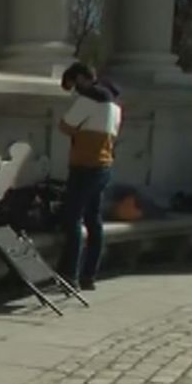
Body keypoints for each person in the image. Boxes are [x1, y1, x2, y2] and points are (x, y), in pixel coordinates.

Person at [58, 61, 123, 290]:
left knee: (72, 218)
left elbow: (65, 126)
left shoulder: (88, 99)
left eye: (73, 85)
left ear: (80, 79)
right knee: (94, 220)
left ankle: (69, 275)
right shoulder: (115, 105)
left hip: (84, 166)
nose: (75, 91)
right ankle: (89, 276)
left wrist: (77, 130)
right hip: (104, 166)